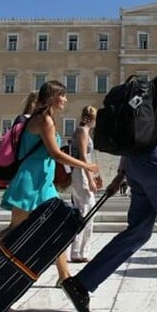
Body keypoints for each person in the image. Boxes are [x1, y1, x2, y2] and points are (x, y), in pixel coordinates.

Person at [60, 43, 157, 312]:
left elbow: (137, 130)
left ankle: (81, 283)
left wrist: (123, 171)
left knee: (138, 232)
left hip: (137, 165)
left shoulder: (156, 82)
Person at [0, 81, 100, 283]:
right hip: (30, 181)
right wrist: (86, 166)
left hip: (42, 182)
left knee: (55, 227)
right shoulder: (44, 120)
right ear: (54, 97)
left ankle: (64, 277)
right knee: (14, 228)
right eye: (62, 95)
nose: (65, 99)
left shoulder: (43, 118)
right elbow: (55, 153)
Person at [69, 105, 102, 264]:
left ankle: (81, 251)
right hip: (81, 172)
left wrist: (94, 176)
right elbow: (82, 156)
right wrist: (89, 179)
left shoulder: (86, 131)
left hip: (84, 170)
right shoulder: (82, 131)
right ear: (92, 118)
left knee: (88, 211)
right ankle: (77, 252)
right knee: (85, 211)